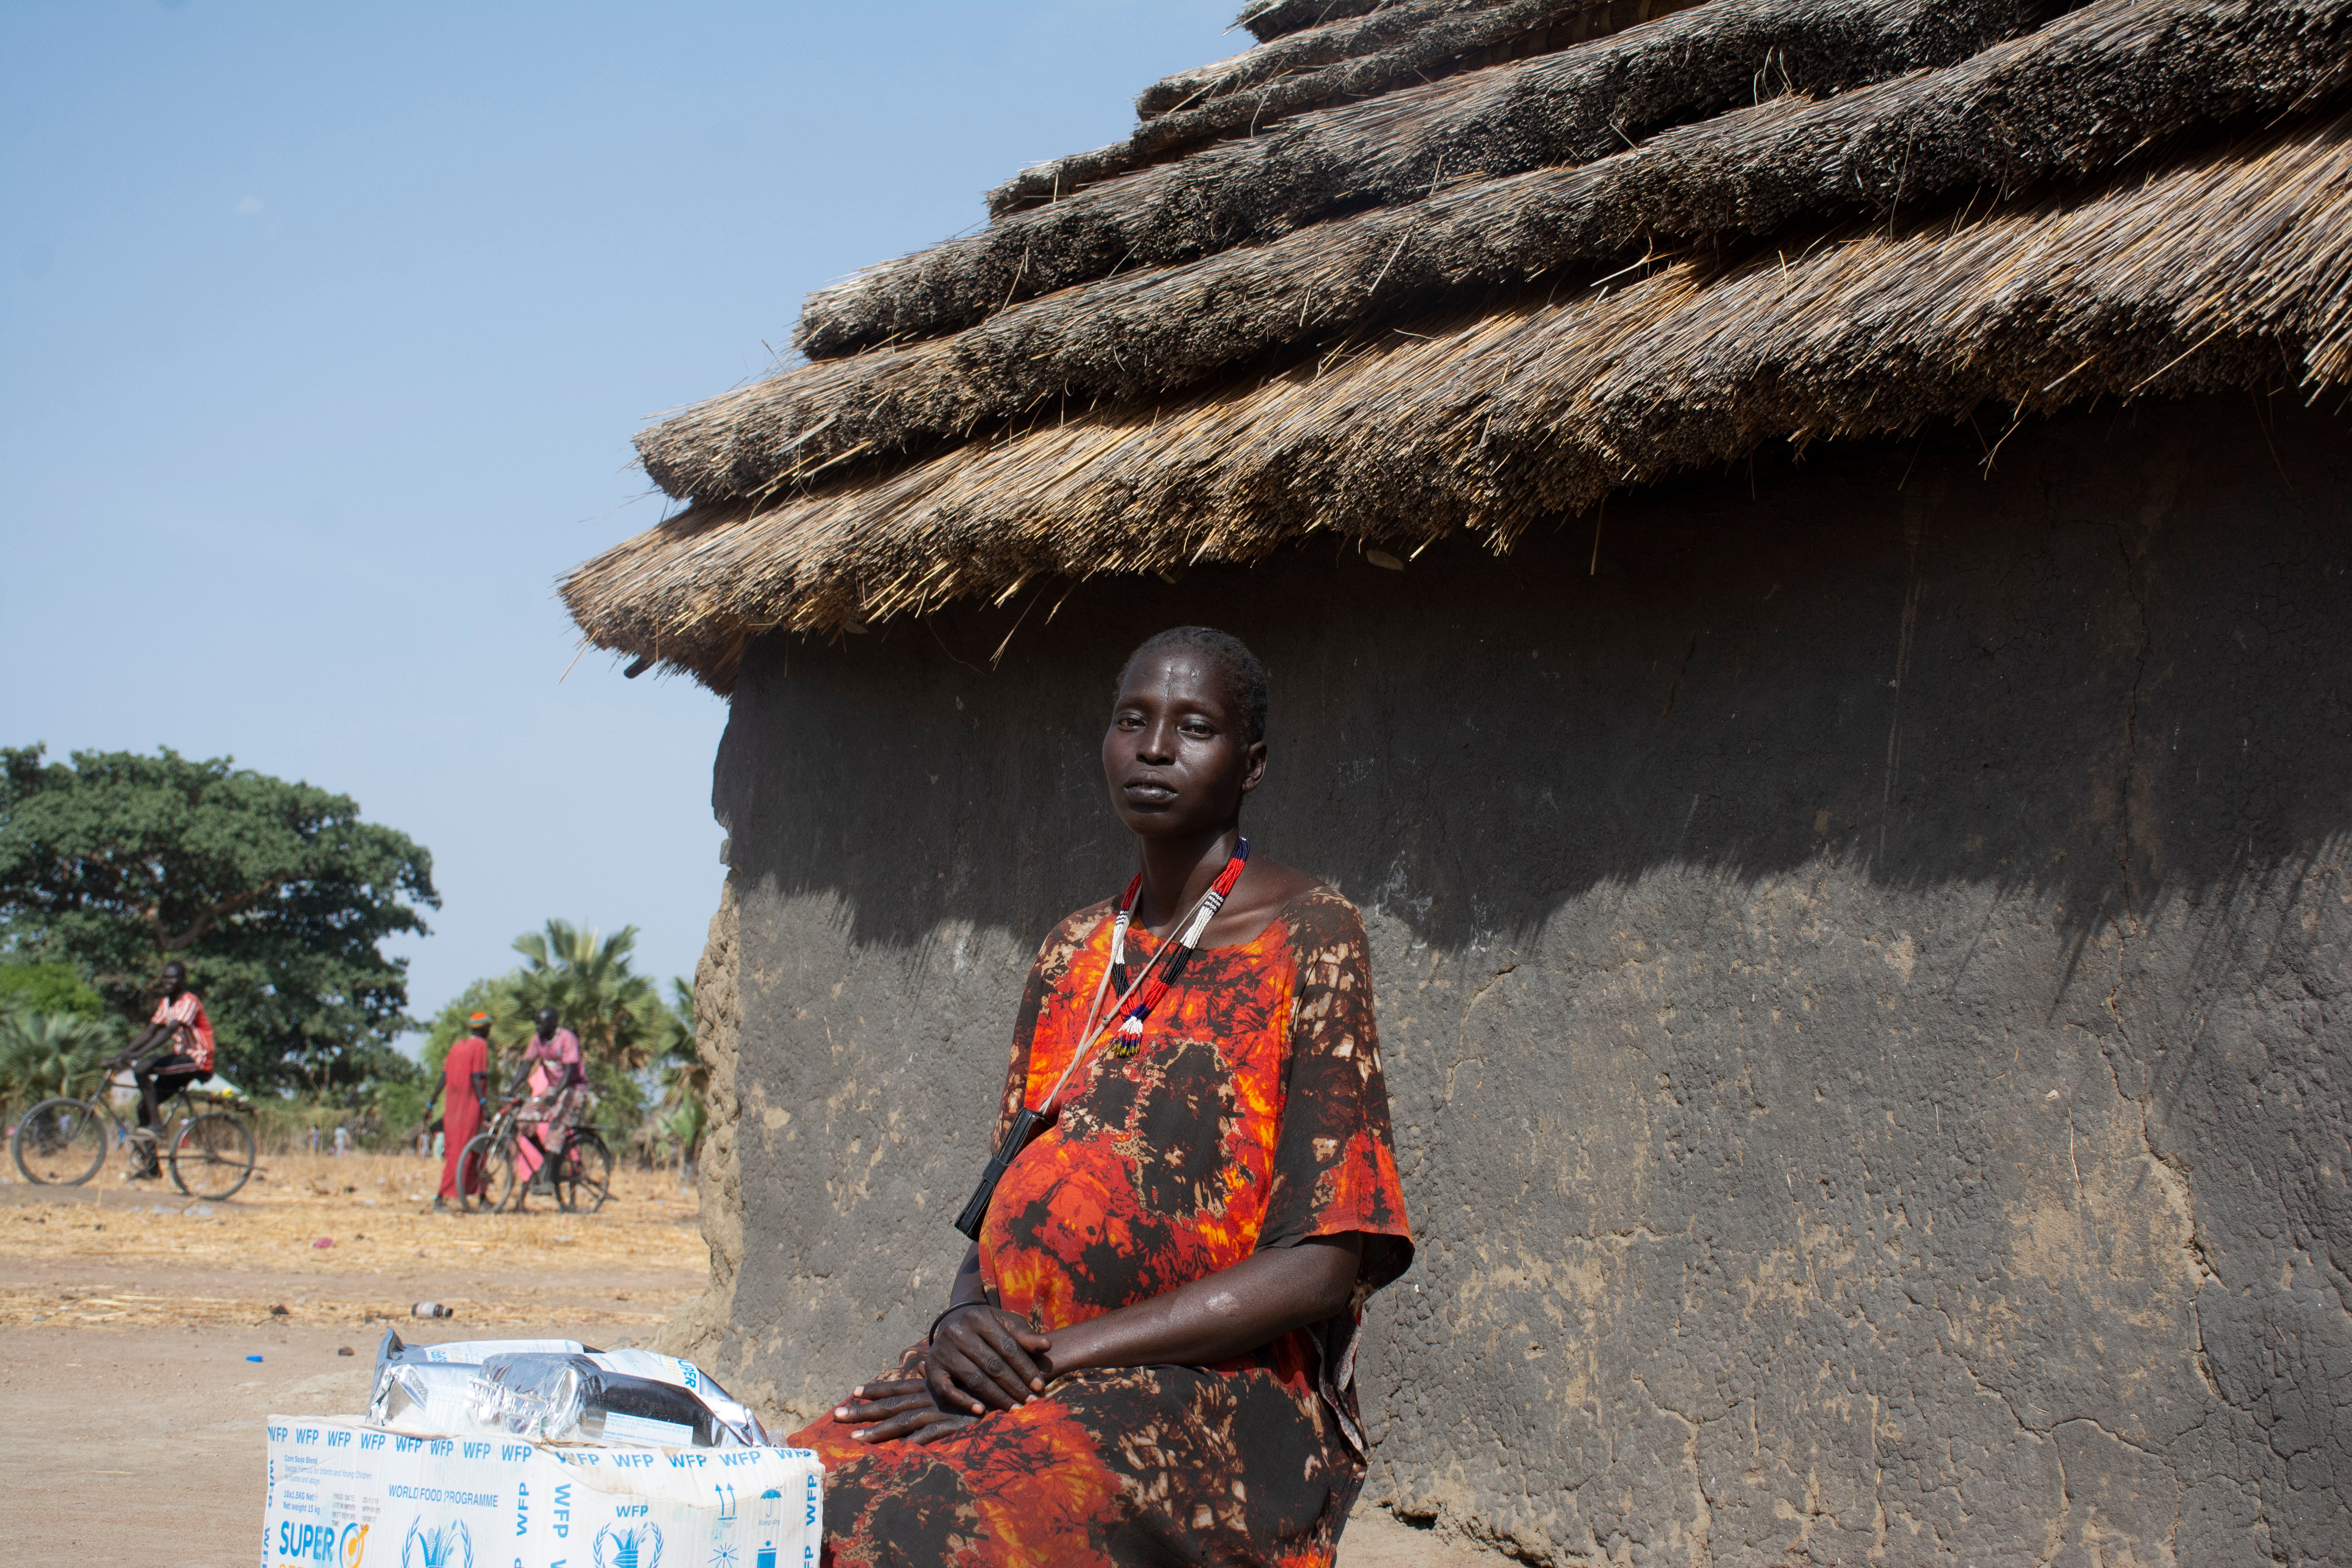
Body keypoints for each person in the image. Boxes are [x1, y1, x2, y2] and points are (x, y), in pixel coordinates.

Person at [795, 626, 1414, 1566]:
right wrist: (960, 1326)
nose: (1156, 748)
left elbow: (1326, 1262)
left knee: (922, 1525)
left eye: (1193, 727)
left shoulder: (1310, 937)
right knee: (786, 1495)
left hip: (1209, 1399)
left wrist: (1057, 1359)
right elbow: (1007, 1193)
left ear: (1250, 765)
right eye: (1134, 720)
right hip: (1019, 1371)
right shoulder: (1072, 952)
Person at [111, 961, 215, 1181]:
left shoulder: (189, 1002)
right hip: (181, 1060)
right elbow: (149, 1032)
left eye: (173, 978)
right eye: (165, 978)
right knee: (143, 1109)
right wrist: (121, 1056)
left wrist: (137, 1056)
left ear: (183, 980)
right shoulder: (166, 1003)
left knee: (142, 1068)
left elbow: (168, 1032)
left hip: (197, 1060)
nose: (168, 982)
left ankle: (158, 1126)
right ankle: (152, 1170)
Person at [422, 1012, 492, 1212]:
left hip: (452, 1108)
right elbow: (478, 1078)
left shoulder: (457, 1047)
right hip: (470, 1107)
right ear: (483, 1029)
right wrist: (485, 1106)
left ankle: (482, 1197)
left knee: (472, 1150)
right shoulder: (480, 1046)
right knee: (467, 1151)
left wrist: (431, 1103)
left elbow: (443, 1077)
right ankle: (441, 1198)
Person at [513, 1007, 585, 1193]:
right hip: (553, 1090)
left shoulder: (567, 1039)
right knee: (523, 1120)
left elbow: (569, 1071)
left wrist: (557, 1096)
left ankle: (547, 1180)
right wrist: (512, 1088)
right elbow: (526, 1065)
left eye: (542, 1023)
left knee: (556, 1127)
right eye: (536, 1023)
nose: (538, 1027)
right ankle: (549, 1161)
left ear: (553, 1024)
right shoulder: (538, 1041)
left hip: (572, 1089)